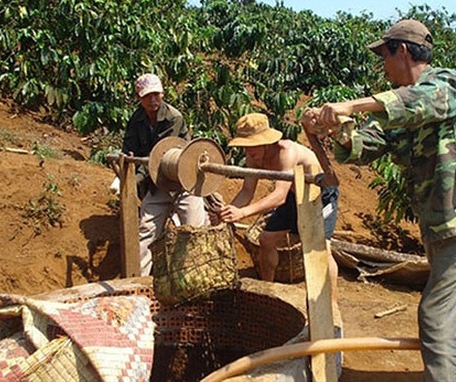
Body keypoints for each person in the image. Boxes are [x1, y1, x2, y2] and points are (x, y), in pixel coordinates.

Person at [302, 20, 456, 381]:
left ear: (403, 51)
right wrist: (333, 130)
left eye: (385, 56)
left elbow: (415, 104)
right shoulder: (395, 107)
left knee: (436, 314)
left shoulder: (445, 83)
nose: (383, 65)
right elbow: (368, 145)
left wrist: (350, 105)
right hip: (438, 223)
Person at [211, 112, 340, 302]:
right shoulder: (253, 158)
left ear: (265, 141)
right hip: (294, 197)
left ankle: (332, 304)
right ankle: (267, 291)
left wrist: (243, 213)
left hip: (321, 195)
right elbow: (247, 191)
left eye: (252, 146)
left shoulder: (286, 152)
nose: (248, 151)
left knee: (320, 249)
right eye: (244, 146)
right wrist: (227, 212)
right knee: (267, 240)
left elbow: (279, 196)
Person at [122, 73, 208, 276]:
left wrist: (137, 179)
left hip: (184, 181)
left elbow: (161, 155)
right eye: (147, 96)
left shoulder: (173, 117)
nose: (153, 100)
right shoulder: (136, 120)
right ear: (139, 98)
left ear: (162, 94)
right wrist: (126, 178)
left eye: (156, 95)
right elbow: (130, 149)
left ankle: (197, 278)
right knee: (146, 231)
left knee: (195, 231)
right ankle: (138, 281)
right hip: (158, 183)